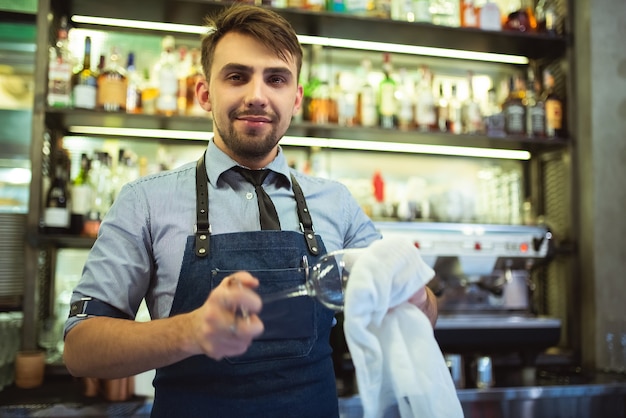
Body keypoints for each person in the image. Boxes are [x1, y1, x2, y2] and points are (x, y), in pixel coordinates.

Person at [63, 4, 438, 417]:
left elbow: (423, 311)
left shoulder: (338, 203)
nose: (257, 95)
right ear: (205, 93)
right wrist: (190, 331)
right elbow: (81, 349)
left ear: (296, 99)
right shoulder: (145, 201)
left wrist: (412, 293)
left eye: (275, 79)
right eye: (237, 76)